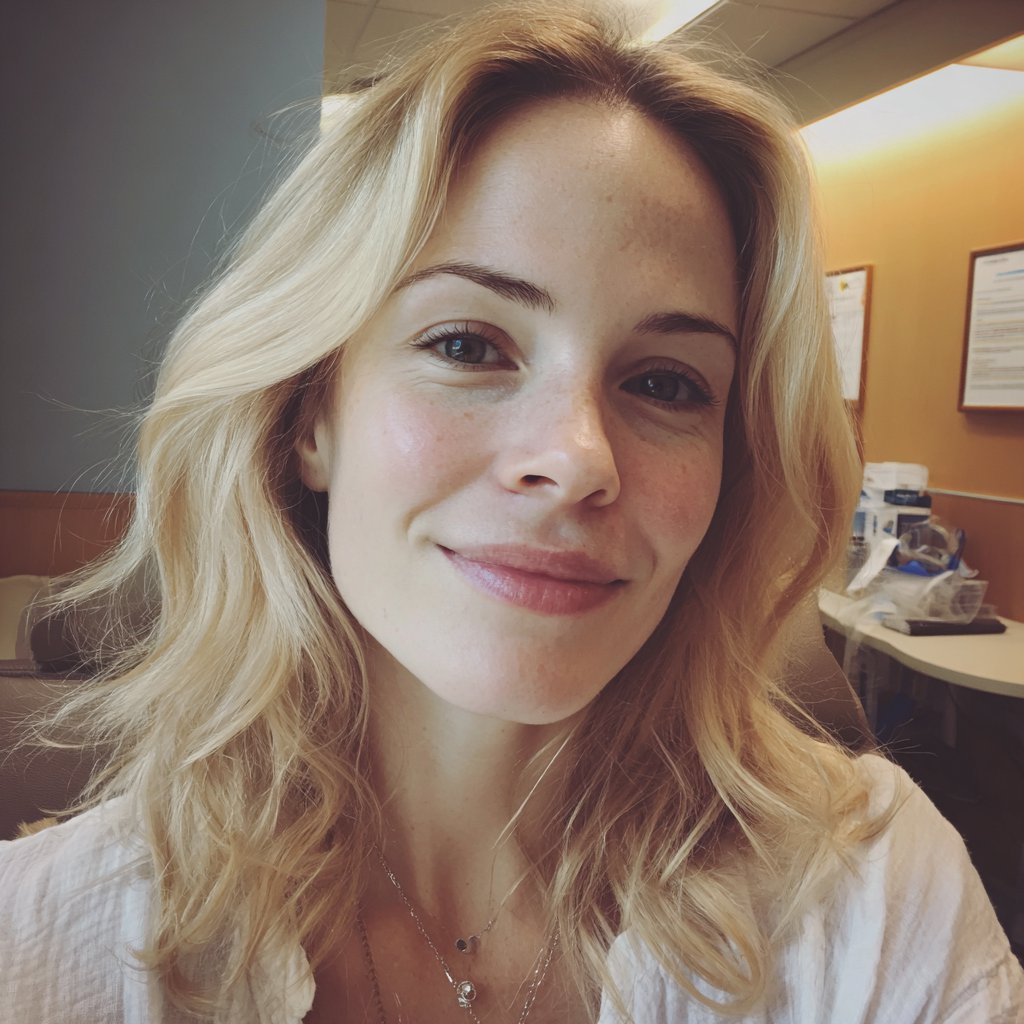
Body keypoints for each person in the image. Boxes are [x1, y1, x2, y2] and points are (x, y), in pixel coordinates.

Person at [2, 4, 1021, 1022]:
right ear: (311, 410)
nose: (576, 459)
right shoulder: (44, 945)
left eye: (665, 383)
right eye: (467, 344)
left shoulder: (877, 901)